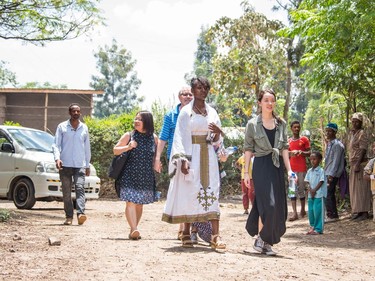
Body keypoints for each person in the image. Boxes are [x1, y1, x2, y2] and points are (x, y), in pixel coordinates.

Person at [162, 77, 226, 250]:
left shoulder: (212, 112)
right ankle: (186, 232)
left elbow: (216, 141)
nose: (202, 90)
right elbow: (179, 137)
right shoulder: (185, 112)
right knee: (190, 192)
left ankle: (215, 236)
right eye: (199, 87)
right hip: (191, 157)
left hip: (209, 159)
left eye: (205, 87)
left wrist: (219, 134)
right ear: (193, 89)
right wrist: (182, 160)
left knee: (212, 192)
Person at [243, 89, 292, 256]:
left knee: (274, 206)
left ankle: (265, 242)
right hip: (261, 166)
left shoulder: (281, 123)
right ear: (259, 103)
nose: (269, 103)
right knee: (268, 205)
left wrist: (290, 169)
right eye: (266, 100)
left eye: (272, 100)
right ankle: (262, 239)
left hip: (277, 166)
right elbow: (248, 150)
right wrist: (246, 173)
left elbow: (284, 148)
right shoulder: (252, 124)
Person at [154, 87, 193, 241]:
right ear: (179, 97)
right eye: (185, 94)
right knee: (180, 192)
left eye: (190, 94)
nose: (188, 96)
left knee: (191, 191)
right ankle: (182, 227)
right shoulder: (171, 115)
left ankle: (186, 228)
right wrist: (157, 158)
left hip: (194, 158)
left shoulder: (196, 113)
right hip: (176, 160)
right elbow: (163, 138)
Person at [113, 110, 158, 240]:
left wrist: (157, 163)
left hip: (145, 175)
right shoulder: (129, 136)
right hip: (129, 174)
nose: (136, 121)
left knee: (139, 203)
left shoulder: (153, 138)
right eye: (135, 119)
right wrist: (127, 147)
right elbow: (115, 150)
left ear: (147, 122)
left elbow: (155, 155)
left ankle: (134, 229)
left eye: (139, 119)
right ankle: (134, 229)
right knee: (130, 202)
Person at [53, 103, 91, 226]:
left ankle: (80, 214)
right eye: (73, 111)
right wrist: (57, 159)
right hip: (65, 164)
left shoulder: (84, 128)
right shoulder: (62, 127)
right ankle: (69, 216)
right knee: (66, 191)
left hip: (79, 164)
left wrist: (87, 164)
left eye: (78, 111)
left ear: (80, 113)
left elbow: (87, 148)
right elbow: (56, 145)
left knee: (80, 188)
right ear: (69, 113)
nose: (76, 113)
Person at [348, 112, 371, 221]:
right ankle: (358, 211)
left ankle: (364, 212)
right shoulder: (354, 133)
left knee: (362, 189)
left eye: (357, 121)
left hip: (360, 164)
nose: (354, 123)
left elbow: (363, 149)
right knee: (355, 189)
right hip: (353, 164)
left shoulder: (362, 133)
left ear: (360, 122)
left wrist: (357, 163)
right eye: (353, 121)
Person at [288, 120, 311, 221]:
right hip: (291, 170)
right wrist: (290, 153)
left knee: (301, 189)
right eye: (295, 127)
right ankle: (294, 213)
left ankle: (302, 210)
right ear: (291, 128)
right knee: (292, 190)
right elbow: (286, 154)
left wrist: (301, 152)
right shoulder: (288, 141)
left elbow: (310, 152)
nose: (297, 129)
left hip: (301, 169)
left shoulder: (304, 139)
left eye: (298, 127)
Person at [324, 122, 345, 222]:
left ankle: (332, 215)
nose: (327, 133)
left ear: (334, 132)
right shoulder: (329, 144)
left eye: (330, 131)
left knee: (329, 193)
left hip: (333, 173)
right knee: (328, 193)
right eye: (326, 131)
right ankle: (331, 214)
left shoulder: (337, 145)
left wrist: (331, 175)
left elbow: (336, 162)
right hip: (328, 171)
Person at [304, 151, 327, 235]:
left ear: (319, 160)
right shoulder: (309, 171)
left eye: (314, 159)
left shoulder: (321, 171)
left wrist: (314, 190)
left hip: (319, 195)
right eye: (311, 159)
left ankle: (318, 229)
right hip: (311, 195)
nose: (312, 161)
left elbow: (321, 181)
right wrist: (310, 189)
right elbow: (307, 181)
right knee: (311, 211)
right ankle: (312, 227)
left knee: (318, 211)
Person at [363, 141, 375, 222]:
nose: (374, 149)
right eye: (374, 147)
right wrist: (372, 177)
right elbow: (365, 175)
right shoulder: (372, 161)